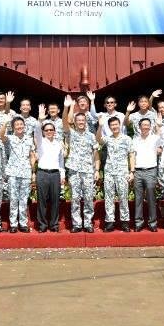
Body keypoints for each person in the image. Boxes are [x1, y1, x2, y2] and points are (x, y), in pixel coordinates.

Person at [63, 97, 99, 233]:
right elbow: (65, 123)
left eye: (82, 120)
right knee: (75, 198)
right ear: (75, 122)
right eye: (78, 121)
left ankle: (88, 223)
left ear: (85, 122)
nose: (81, 123)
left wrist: (96, 169)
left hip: (88, 170)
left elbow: (95, 153)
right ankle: (77, 224)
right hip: (74, 170)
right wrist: (67, 108)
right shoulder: (71, 134)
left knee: (89, 197)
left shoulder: (91, 135)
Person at [98, 116, 134, 231]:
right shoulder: (108, 139)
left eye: (116, 124)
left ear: (120, 125)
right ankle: (110, 222)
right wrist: (100, 125)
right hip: (109, 172)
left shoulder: (127, 139)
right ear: (109, 127)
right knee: (109, 198)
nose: (114, 127)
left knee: (123, 197)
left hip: (122, 172)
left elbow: (131, 154)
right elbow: (98, 139)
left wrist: (132, 171)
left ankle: (124, 221)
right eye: (112, 125)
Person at [3, 116, 37, 233]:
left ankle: (23, 223)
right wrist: (5, 123)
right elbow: (1, 137)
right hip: (13, 172)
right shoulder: (10, 138)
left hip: (26, 172)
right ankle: (13, 224)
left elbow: (32, 155)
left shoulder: (29, 139)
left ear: (24, 126)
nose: (19, 126)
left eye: (21, 124)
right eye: (16, 125)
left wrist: (33, 171)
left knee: (23, 199)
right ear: (13, 127)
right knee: (13, 199)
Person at [131, 118, 162, 231]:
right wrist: (132, 171)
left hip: (150, 171)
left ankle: (152, 223)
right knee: (138, 198)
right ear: (139, 127)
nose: (146, 127)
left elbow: (161, 147)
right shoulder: (135, 139)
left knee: (151, 197)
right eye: (143, 125)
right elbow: (132, 155)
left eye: (148, 125)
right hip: (138, 171)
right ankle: (138, 222)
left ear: (150, 126)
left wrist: (158, 125)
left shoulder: (155, 138)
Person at [34, 121, 64, 232]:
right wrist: (40, 121)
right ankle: (42, 225)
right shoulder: (41, 142)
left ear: (54, 131)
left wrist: (62, 175)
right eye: (46, 130)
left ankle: (54, 225)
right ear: (43, 132)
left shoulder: (59, 144)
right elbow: (37, 132)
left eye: (51, 130)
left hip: (55, 174)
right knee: (42, 201)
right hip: (42, 173)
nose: (49, 132)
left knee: (55, 200)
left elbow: (61, 161)